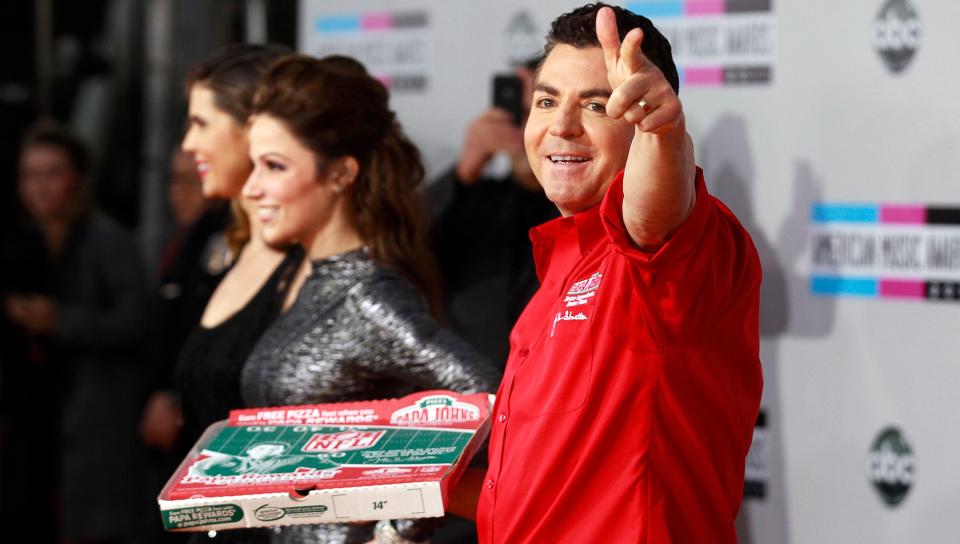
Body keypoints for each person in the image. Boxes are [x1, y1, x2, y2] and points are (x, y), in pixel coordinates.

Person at [457, 4, 763, 543]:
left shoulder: (670, 247)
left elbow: (651, 210)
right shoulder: (561, 263)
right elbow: (536, 494)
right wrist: (380, 482)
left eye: (596, 105)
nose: (561, 126)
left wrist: (662, 134)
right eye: (546, 100)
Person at [240, 54, 500, 544]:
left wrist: (400, 527)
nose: (252, 188)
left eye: (273, 166)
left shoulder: (371, 299)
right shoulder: (314, 283)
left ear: (341, 174)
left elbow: (490, 403)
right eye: (254, 165)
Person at [136, 43, 301, 544]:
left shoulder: (309, 261)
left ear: (251, 128)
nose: (187, 144)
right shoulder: (218, 245)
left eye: (201, 124)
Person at [6, 121, 148, 543]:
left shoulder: (106, 239)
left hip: (96, 419)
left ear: (78, 179)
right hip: (37, 414)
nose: (41, 187)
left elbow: (137, 320)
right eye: (31, 175)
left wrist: (60, 321)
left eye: (53, 173)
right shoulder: (24, 241)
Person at [429, 57, 558, 368]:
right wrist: (465, 171)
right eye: (521, 114)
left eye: (543, 109)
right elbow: (400, 249)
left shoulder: (595, 214)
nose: (527, 130)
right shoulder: (471, 199)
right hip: (466, 392)